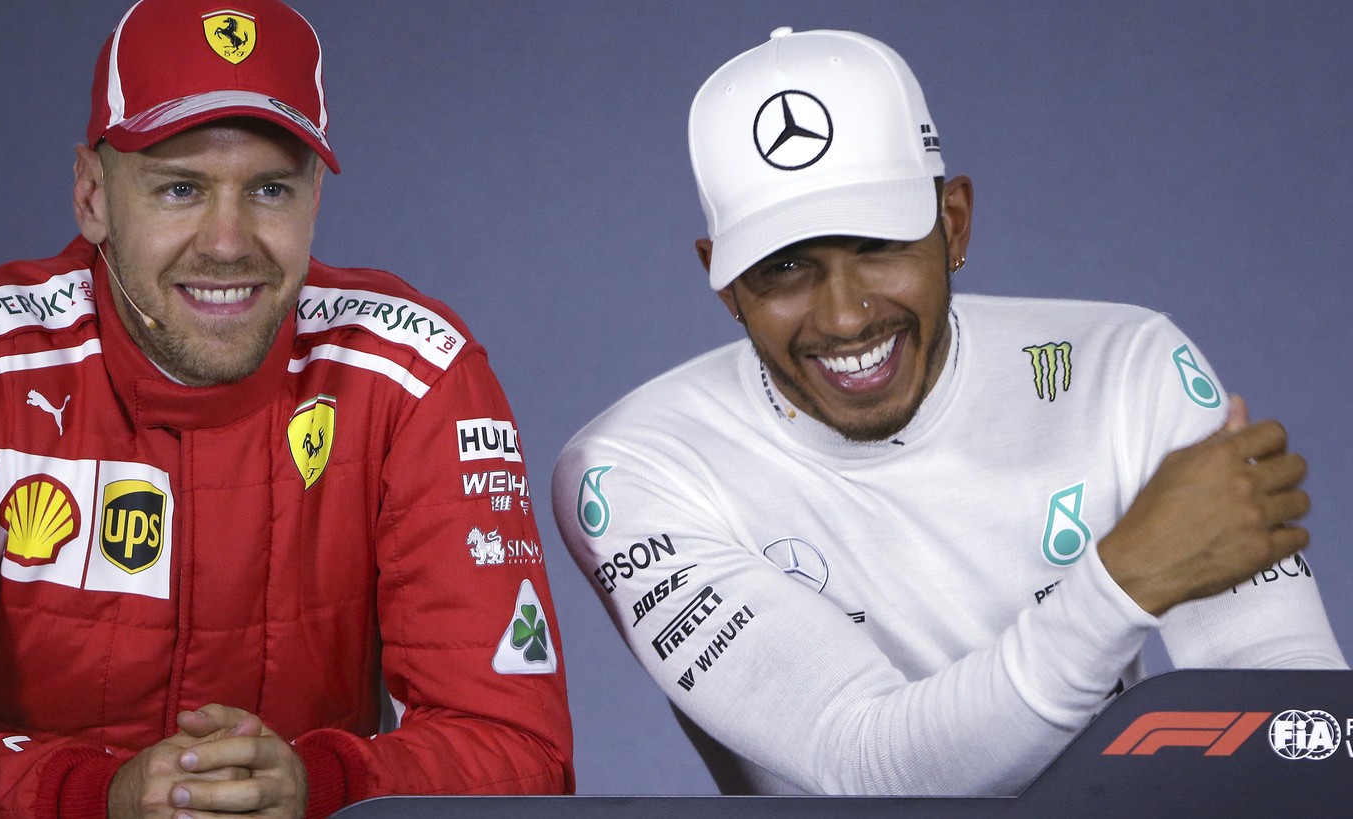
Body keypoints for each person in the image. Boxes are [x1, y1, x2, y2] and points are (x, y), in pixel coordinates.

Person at [0, 1, 572, 816]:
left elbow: (520, 745)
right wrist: (98, 796)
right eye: (180, 187)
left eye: (270, 189)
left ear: (314, 200)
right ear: (92, 196)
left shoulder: (415, 373)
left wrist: (325, 784)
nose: (226, 240)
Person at [552, 27, 1344, 797]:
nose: (843, 317)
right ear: (722, 283)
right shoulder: (632, 469)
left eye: (879, 246)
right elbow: (864, 765)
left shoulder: (1125, 366)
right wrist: (1125, 577)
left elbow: (1297, 722)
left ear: (953, 222)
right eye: (784, 268)